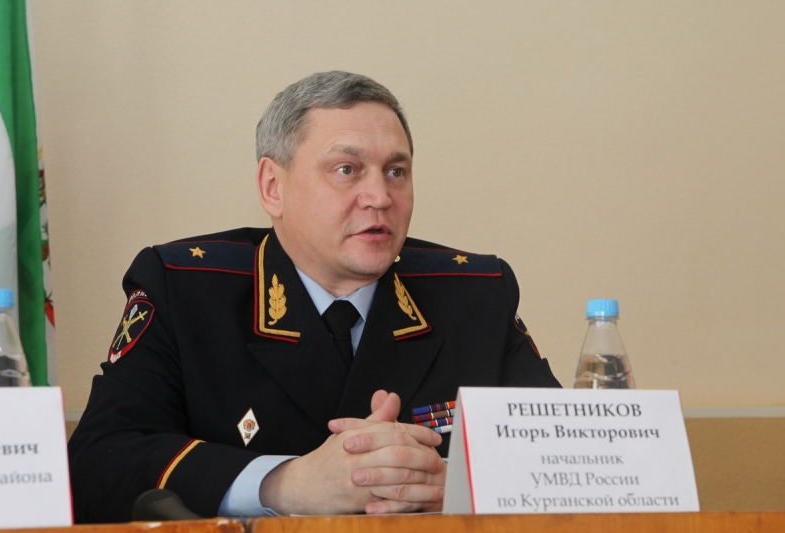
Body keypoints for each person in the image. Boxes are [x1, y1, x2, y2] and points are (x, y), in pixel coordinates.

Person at [67, 71, 561, 523]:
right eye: (347, 169)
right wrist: (285, 483)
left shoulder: (475, 295)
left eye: (396, 171)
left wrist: (453, 486)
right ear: (273, 187)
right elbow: (97, 463)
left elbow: (569, 459)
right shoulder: (186, 288)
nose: (380, 197)